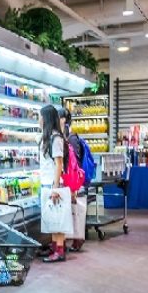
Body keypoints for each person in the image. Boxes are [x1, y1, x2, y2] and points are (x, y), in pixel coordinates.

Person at [37, 105, 71, 262]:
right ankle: (54, 247)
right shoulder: (47, 137)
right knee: (52, 218)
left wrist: (55, 187)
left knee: (58, 218)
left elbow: (59, 164)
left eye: (40, 116)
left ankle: (59, 250)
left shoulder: (56, 138)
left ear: (46, 118)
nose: (39, 119)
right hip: (47, 184)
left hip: (53, 184)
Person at [61, 108, 90, 252]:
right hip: (74, 181)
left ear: (63, 120)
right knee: (74, 210)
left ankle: (78, 238)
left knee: (75, 209)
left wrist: (74, 187)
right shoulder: (68, 136)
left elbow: (74, 163)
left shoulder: (71, 138)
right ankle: (76, 238)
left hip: (75, 181)